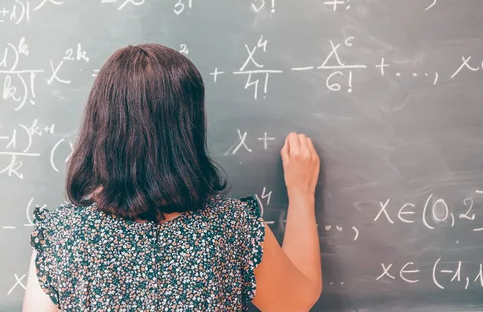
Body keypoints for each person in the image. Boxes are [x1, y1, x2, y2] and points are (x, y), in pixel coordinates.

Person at [22, 44, 322, 312]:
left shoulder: (62, 236)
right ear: (187, 128)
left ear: (99, 125)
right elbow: (297, 302)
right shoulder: (233, 227)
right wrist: (301, 194)